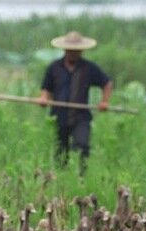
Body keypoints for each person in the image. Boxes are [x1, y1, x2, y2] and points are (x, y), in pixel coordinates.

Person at [38, 30, 113, 176]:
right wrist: (43, 98)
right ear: (65, 50)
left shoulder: (89, 68)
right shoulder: (54, 68)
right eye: (70, 51)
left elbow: (107, 83)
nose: (73, 53)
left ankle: (81, 177)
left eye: (76, 51)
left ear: (81, 51)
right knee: (60, 151)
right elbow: (46, 89)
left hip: (81, 116)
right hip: (59, 115)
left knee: (82, 146)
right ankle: (61, 180)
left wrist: (104, 101)